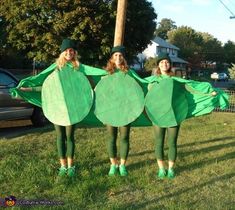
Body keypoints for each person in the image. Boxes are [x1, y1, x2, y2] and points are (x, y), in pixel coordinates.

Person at [17, 38, 106, 177]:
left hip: (73, 108)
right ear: (62, 52)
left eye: (71, 50)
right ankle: (63, 166)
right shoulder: (56, 68)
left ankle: (71, 166)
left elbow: (92, 81)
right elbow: (46, 86)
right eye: (66, 50)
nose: (69, 52)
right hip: (57, 108)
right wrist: (28, 89)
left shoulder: (79, 68)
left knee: (70, 136)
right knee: (60, 136)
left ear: (74, 52)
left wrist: (108, 78)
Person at [147, 52, 220, 179]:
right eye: (162, 62)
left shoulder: (176, 80)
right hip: (158, 115)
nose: (164, 64)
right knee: (159, 142)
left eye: (167, 62)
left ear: (170, 65)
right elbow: (147, 95)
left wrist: (208, 94)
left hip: (174, 114)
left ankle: (170, 169)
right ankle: (161, 169)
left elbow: (191, 88)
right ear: (158, 65)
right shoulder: (153, 81)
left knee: (172, 142)